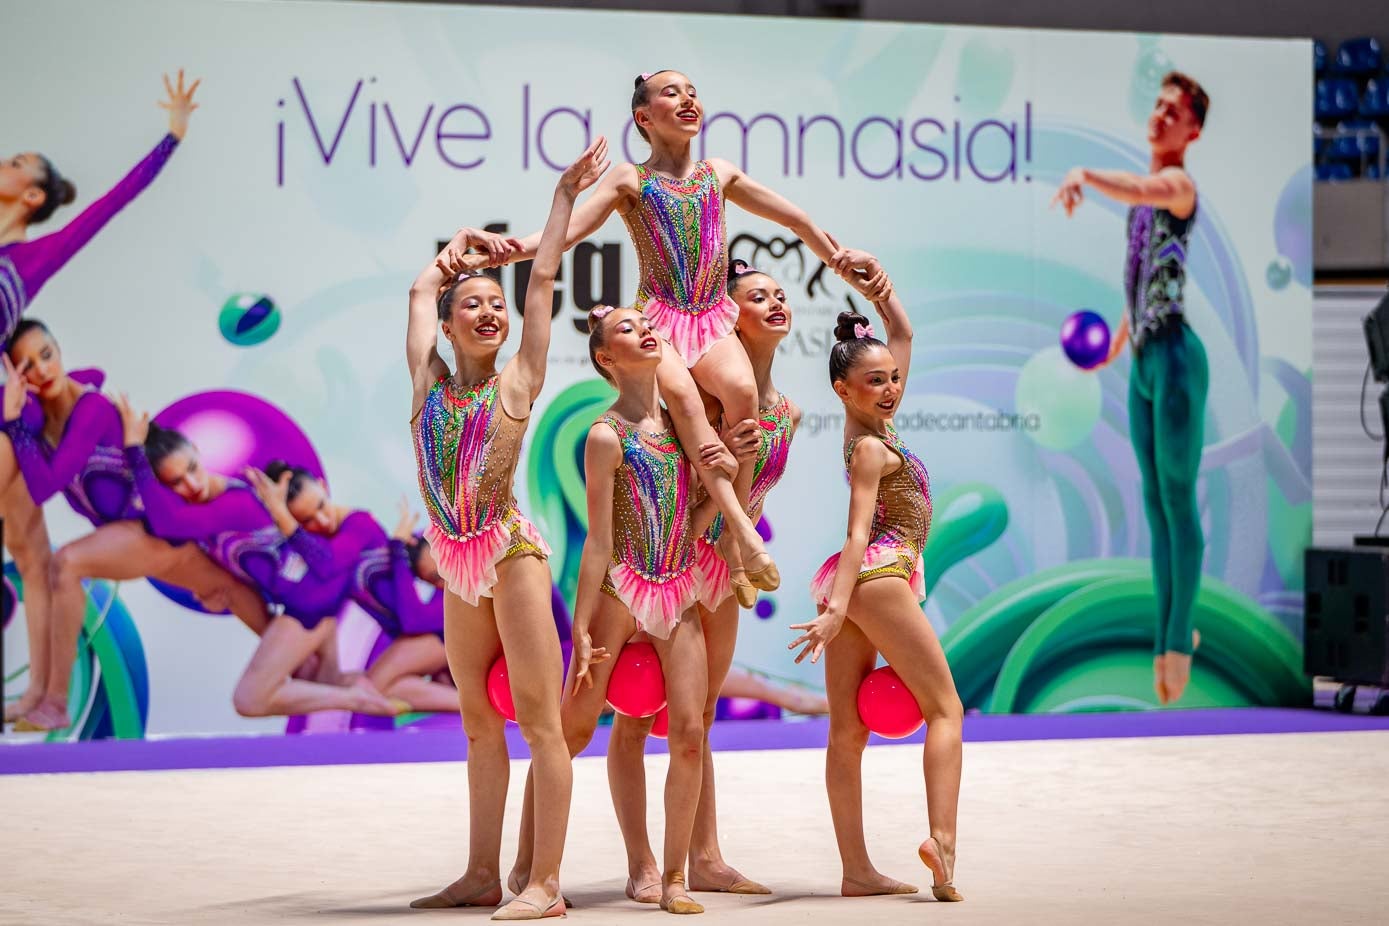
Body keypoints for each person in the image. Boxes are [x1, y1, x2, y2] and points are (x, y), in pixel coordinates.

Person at [406, 141, 609, 920]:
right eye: (474, 306)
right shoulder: (424, 386)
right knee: (475, 726)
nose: (490, 313)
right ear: (450, 329)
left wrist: (560, 201)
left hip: (511, 555)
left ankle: (546, 884)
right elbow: (421, 289)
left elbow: (546, 279)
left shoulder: (516, 382)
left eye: (497, 304)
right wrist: (453, 254)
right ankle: (480, 874)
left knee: (539, 722)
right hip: (457, 565)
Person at [604, 258, 807, 900]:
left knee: (699, 718)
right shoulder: (698, 399)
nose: (774, 302)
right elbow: (679, 498)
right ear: (728, 316)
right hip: (674, 557)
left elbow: (756, 494)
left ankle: (706, 855)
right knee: (638, 713)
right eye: (756, 295)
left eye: (780, 293)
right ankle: (642, 863)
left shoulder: (791, 413)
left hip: (727, 568)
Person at [524, 304, 732, 915]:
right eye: (625, 329)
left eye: (646, 324)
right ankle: (531, 865)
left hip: (678, 586)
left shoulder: (682, 426)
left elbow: (692, 518)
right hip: (620, 589)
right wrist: (583, 625)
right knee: (574, 729)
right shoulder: (604, 435)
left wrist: (726, 472)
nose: (644, 330)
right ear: (605, 359)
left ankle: (672, 879)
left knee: (690, 733)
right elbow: (599, 540)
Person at [789, 250, 964, 903]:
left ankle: (856, 870)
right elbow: (857, 531)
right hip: (875, 575)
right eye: (876, 381)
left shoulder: (877, 424)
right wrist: (837, 609)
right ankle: (942, 844)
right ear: (843, 390)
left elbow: (904, 335)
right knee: (944, 709)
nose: (891, 387)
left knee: (847, 730)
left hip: (860, 582)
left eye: (893, 379)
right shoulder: (868, 447)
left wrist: (880, 288)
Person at [0, 321, 263, 731]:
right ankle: (40, 696)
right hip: (135, 540)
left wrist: (14, 422)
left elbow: (44, 486)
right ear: (16, 374)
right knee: (230, 590)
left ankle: (53, 703)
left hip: (157, 532)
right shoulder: (43, 423)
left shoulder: (93, 409)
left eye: (46, 354)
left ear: (59, 349)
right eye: (27, 365)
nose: (43, 370)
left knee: (66, 564)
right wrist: (17, 417)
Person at [1052, 71, 1210, 704]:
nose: (1161, 115)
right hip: (1146, 357)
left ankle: (1175, 644)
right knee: (1154, 502)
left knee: (1177, 497)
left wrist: (1088, 177)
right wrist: (1117, 345)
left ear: (1192, 131)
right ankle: (1170, 634)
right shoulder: (1148, 201)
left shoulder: (1174, 185)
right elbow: (1142, 280)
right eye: (1159, 104)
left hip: (1175, 356)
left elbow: (1143, 186)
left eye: (1175, 112)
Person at [0, 71, 199, 343]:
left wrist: (172, 138)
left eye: (15, 163)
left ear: (33, 195)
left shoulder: (35, 258)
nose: (2, 161)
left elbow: (114, 200)